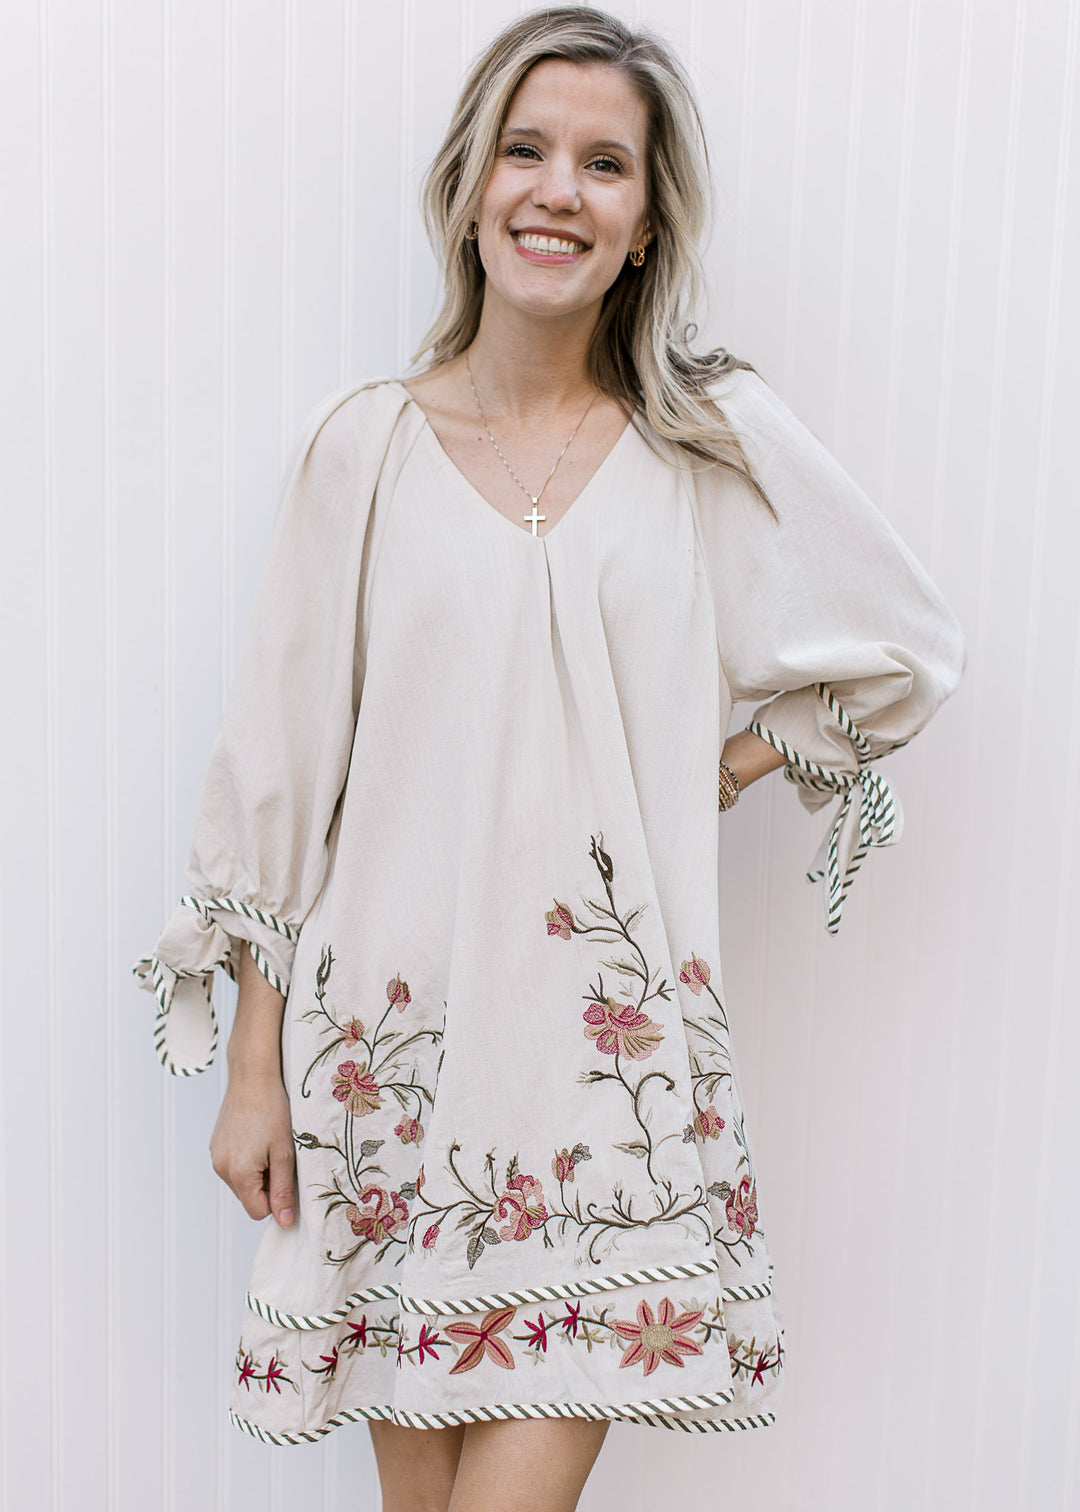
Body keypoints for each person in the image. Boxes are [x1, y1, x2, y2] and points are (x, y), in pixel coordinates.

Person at [134, 7, 965, 1509]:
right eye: (525, 150)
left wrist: (710, 769)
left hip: (606, 1077)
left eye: (603, 163)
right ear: (469, 187)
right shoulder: (361, 450)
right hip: (388, 1066)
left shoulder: (703, 445)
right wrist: (252, 1068)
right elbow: (284, 768)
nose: (556, 189)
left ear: (645, 226)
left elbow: (904, 644)